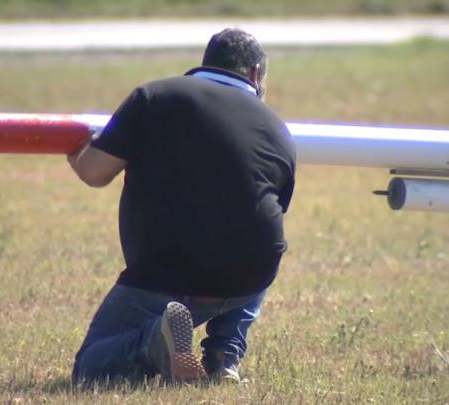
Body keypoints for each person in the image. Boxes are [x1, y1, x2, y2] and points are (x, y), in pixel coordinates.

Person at [67, 28, 296, 385]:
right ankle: (224, 355)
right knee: (255, 237)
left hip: (163, 276)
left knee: (89, 369)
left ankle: (155, 343)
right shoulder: (278, 128)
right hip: (247, 278)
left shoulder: (153, 97)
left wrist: (74, 148)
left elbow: (94, 172)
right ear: (254, 74)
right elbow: (271, 210)